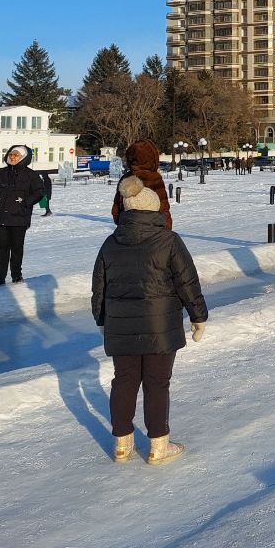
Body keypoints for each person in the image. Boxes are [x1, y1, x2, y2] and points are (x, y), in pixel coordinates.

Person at [92, 175, 208, 465]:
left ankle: (122, 444)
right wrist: (198, 317)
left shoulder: (111, 242)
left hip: (120, 325)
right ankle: (158, 446)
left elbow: (99, 286)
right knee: (157, 383)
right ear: (154, 210)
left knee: (124, 381)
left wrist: (102, 320)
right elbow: (187, 282)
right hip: (159, 325)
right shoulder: (168, 240)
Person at [0, 145, 45, 286]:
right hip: (1, 219)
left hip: (19, 219)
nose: (12, 157)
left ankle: (16, 276)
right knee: (1, 249)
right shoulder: (2, 173)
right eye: (11, 154)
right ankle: (0, 278)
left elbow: (39, 192)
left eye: (16, 155)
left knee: (16, 248)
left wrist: (26, 202)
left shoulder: (31, 175)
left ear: (23, 158)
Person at [110, 140, 172, 231]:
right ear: (153, 158)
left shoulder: (125, 178)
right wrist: (167, 229)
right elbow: (163, 207)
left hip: (128, 228)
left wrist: (121, 223)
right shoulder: (154, 178)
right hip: (153, 229)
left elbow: (116, 208)